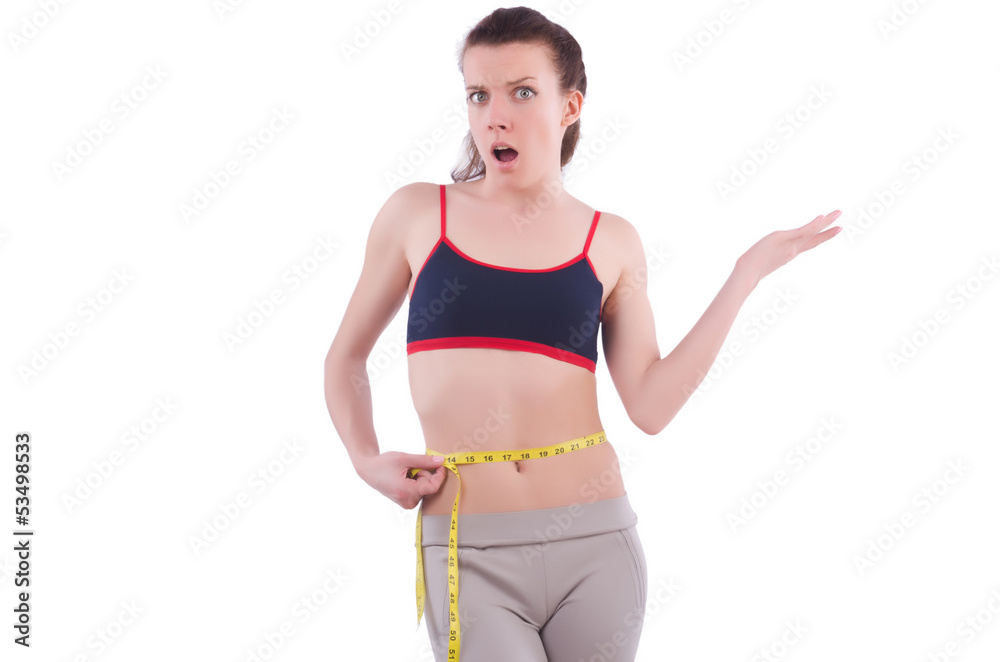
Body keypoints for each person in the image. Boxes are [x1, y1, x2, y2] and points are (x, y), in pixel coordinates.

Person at [324, 6, 840, 661]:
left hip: (597, 547)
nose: (495, 116)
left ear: (570, 106)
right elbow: (345, 359)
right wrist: (365, 459)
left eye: (522, 92)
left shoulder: (610, 240)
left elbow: (650, 405)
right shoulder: (417, 214)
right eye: (479, 95)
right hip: (467, 546)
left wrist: (746, 274)